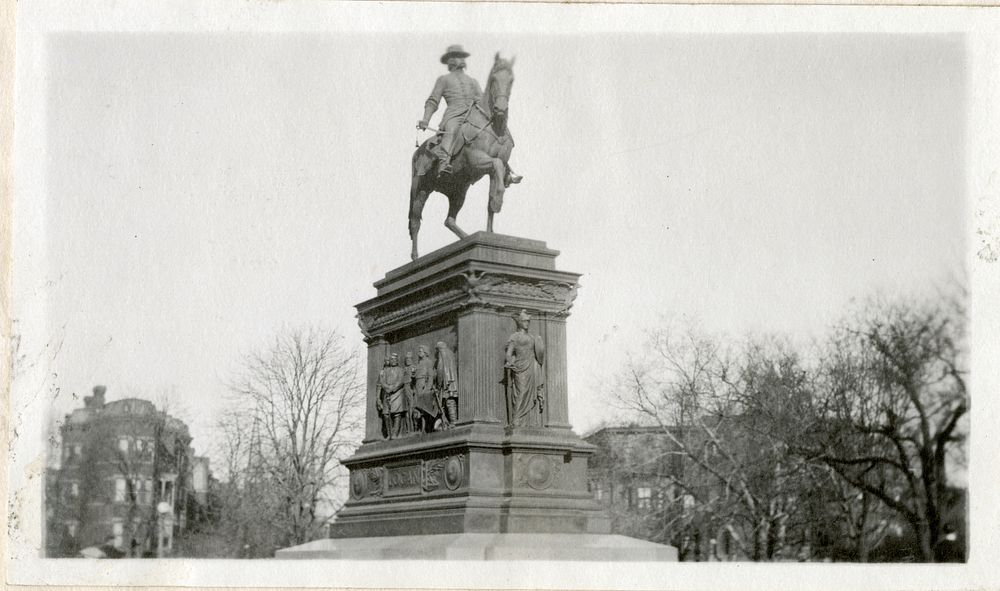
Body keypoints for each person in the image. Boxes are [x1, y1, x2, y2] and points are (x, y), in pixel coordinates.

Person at [418, 44, 483, 176]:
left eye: (463, 57)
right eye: (458, 57)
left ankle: (505, 169)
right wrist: (426, 119)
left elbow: (481, 100)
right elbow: (433, 101)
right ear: (451, 60)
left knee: (490, 132)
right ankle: (444, 162)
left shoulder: (473, 81)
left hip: (474, 114)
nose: (462, 60)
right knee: (452, 130)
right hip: (454, 114)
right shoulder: (443, 80)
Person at [504, 309, 545, 427]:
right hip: (519, 367)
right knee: (521, 393)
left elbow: (538, 353)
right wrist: (509, 362)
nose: (527, 323)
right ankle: (516, 419)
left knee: (531, 394)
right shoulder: (514, 337)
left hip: (532, 367)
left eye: (528, 321)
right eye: (525, 321)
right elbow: (509, 353)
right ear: (519, 322)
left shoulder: (532, 337)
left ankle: (528, 421)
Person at [376, 353, 407, 438]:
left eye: (394, 359)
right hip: (387, 394)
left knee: (397, 414)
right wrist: (387, 388)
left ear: (397, 360)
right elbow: (381, 382)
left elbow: (401, 381)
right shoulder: (385, 371)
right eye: (391, 359)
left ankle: (395, 434)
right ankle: (389, 434)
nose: (393, 361)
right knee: (386, 414)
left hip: (397, 393)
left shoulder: (400, 370)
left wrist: (393, 388)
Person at [434, 342, 459, 427]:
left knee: (449, 401)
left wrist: (438, 385)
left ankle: (453, 421)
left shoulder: (443, 353)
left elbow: (440, 370)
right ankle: (452, 420)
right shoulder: (450, 353)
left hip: (447, 382)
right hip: (452, 381)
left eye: (437, 350)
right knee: (450, 401)